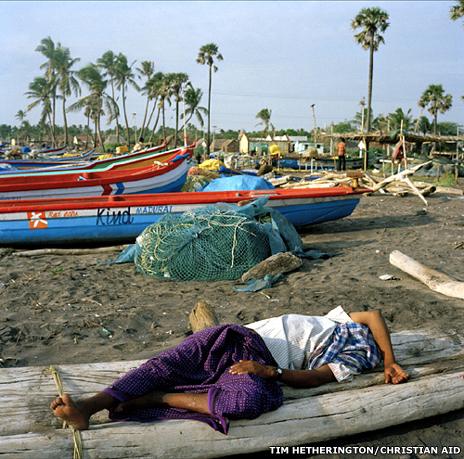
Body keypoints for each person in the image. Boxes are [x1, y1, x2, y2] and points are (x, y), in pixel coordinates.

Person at [50, 307, 408, 434]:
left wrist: (270, 372)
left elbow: (315, 378)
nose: (370, 334)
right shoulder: (341, 322)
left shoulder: (357, 359)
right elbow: (374, 315)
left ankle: (156, 397)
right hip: (240, 336)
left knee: (248, 399)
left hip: (261, 362)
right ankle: (90, 407)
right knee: (169, 362)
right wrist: (392, 359)